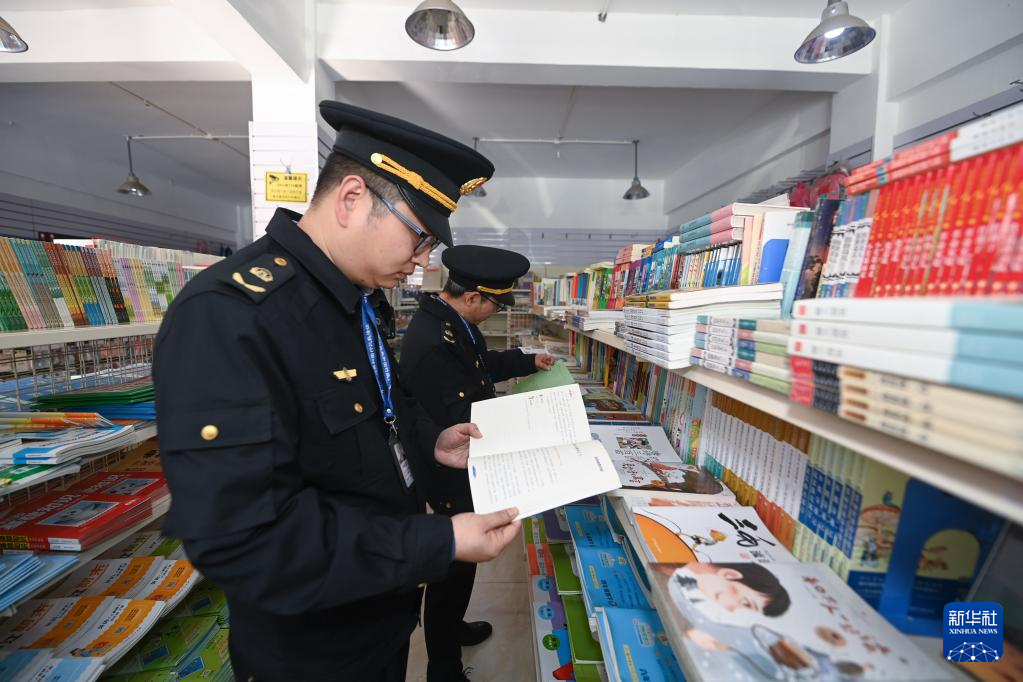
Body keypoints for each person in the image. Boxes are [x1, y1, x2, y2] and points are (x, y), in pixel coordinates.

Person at [153, 101, 522, 682]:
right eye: (420, 237)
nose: (423, 261)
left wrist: (431, 440)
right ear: (351, 198)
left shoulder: (353, 299)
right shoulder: (230, 315)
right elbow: (245, 537)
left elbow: (382, 408)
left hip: (378, 615)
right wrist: (436, 541)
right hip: (312, 648)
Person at [399, 244, 556, 682]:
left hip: (462, 459)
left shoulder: (454, 325)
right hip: (448, 469)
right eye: (495, 305)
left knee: (463, 566)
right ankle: (443, 667)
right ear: (472, 297)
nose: (496, 312)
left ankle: (454, 626)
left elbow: (479, 368)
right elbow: (457, 415)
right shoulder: (434, 342)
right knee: (451, 567)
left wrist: (527, 361)